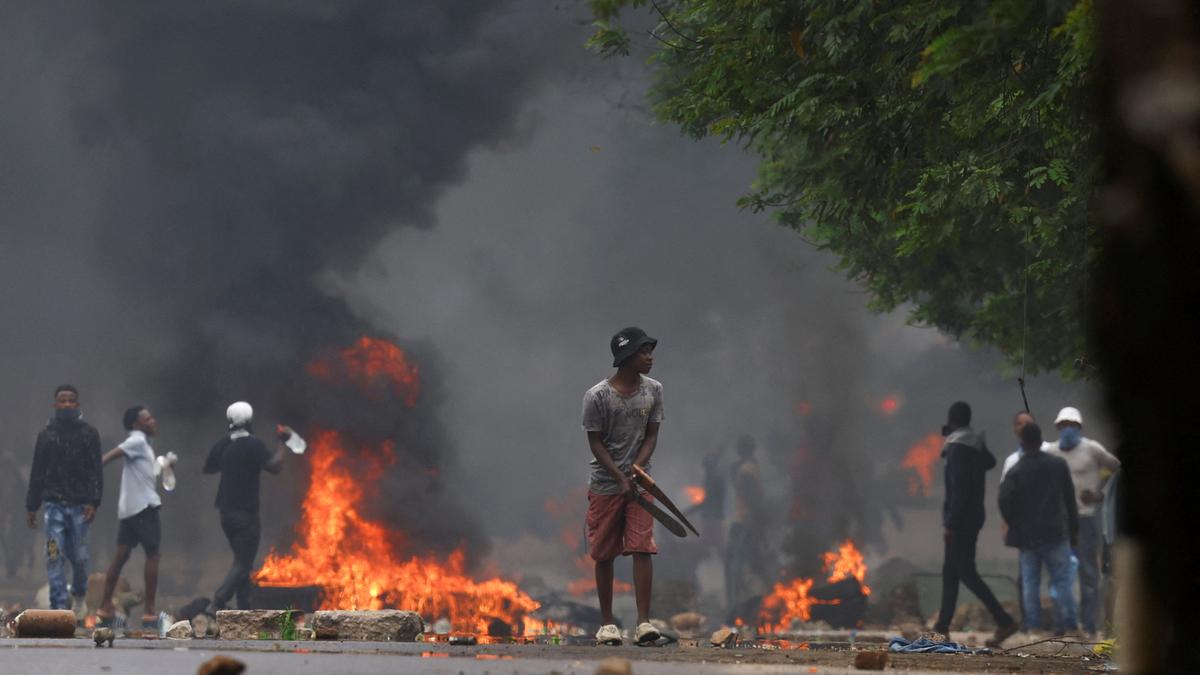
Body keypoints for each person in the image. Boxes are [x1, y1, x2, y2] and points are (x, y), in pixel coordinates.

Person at [582, 327, 664, 646]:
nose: (650, 358)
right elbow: (595, 441)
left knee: (642, 547)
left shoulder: (654, 390)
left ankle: (644, 623)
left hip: (640, 484)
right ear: (627, 358)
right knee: (604, 553)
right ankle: (607, 625)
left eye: (650, 351)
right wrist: (619, 476)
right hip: (605, 484)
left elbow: (652, 435)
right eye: (644, 352)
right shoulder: (597, 396)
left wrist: (636, 469)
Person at [932, 401, 1019, 647]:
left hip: (960, 520)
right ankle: (941, 628)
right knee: (951, 572)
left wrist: (950, 523)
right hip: (973, 517)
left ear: (952, 421)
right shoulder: (973, 444)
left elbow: (959, 489)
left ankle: (1004, 620)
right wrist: (979, 440)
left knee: (965, 572)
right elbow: (989, 461)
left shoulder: (958, 448)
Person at [24, 384, 103, 618]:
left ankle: (78, 595)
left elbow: (95, 471)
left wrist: (94, 501)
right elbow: (37, 471)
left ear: (77, 404)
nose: (67, 404)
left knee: (79, 556)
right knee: (54, 554)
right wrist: (31, 505)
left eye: (71, 400)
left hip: (80, 506)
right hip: (53, 507)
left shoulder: (89, 433)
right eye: (62, 400)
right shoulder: (46, 435)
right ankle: (59, 606)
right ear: (55, 404)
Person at [1042, 406, 1120, 636]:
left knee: (1088, 573)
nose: (1067, 429)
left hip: (1085, 518)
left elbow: (1115, 468)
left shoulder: (1092, 449)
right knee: (1059, 572)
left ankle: (1088, 625)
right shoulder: (1052, 452)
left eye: (1071, 425)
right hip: (1060, 520)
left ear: (1079, 427)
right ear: (1058, 428)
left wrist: (1099, 492)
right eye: (1063, 425)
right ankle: (1062, 623)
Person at [95, 406, 176, 627]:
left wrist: (165, 466)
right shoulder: (137, 441)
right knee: (153, 555)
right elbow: (111, 456)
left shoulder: (143, 444)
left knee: (120, 557)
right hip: (144, 508)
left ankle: (104, 608)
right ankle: (149, 613)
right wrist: (93, 466)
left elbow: (145, 473)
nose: (153, 421)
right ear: (136, 424)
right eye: (147, 419)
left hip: (130, 510)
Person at [203, 401, 284, 612]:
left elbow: (208, 467)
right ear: (249, 421)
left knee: (242, 562)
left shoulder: (223, 445)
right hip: (246, 514)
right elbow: (275, 467)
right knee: (243, 563)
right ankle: (218, 601)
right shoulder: (253, 445)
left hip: (225, 513)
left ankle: (244, 607)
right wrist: (282, 444)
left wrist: (230, 463)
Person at [999, 422, 1079, 634]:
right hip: (1056, 533)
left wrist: (1013, 521)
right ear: (1040, 439)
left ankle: (1034, 626)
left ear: (1022, 443)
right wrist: (1074, 530)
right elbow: (1070, 499)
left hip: (1028, 536)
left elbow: (1004, 501)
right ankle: (1068, 624)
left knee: (1030, 583)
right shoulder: (1058, 465)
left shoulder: (1016, 470)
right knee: (1062, 581)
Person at [725, 434, 767, 617]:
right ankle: (742, 608)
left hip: (742, 523)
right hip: (746, 523)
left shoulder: (742, 468)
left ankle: (740, 608)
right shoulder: (749, 468)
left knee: (739, 566)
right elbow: (755, 499)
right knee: (745, 565)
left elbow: (752, 498)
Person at [1000, 411, 1036, 482]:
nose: (1024, 426)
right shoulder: (1010, 460)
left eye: (1027, 423)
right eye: (1019, 424)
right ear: (1015, 429)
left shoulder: (1049, 450)